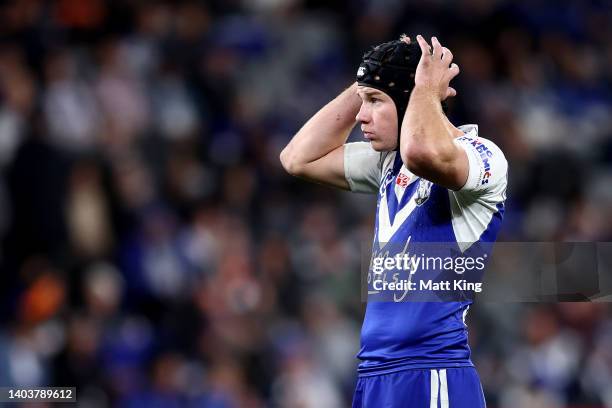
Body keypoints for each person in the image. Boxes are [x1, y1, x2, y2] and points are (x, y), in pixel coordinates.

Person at [280, 34, 507, 407]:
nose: (359, 115)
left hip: (433, 371)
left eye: (375, 101)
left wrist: (423, 90)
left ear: (408, 101)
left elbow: (421, 152)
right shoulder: (389, 163)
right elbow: (297, 158)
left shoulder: (482, 157)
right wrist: (370, 78)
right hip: (375, 376)